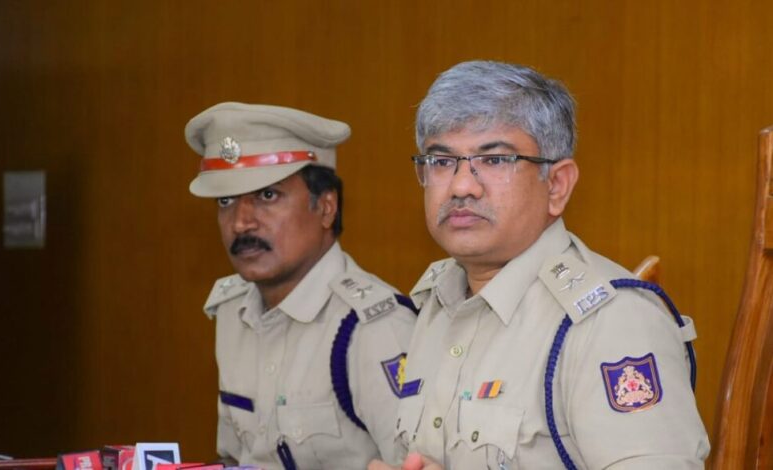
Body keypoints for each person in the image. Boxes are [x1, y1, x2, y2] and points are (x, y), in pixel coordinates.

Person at [369, 61, 709, 469]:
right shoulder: (436, 303)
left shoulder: (611, 321)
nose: (461, 185)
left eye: (495, 160)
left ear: (557, 185)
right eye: (442, 161)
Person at [185, 102, 417, 469]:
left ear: (326, 208)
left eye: (267, 196)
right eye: (225, 201)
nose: (241, 223)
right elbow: (236, 459)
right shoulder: (232, 310)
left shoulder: (371, 328)